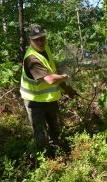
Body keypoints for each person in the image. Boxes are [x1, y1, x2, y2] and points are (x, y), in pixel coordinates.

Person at [20, 24, 78, 155]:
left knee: (55, 128)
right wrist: (66, 77)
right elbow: (50, 79)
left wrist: (66, 88)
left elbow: (52, 70)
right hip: (34, 101)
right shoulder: (31, 58)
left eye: (42, 38)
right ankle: (46, 159)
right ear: (30, 40)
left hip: (50, 99)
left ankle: (57, 152)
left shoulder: (46, 49)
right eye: (36, 39)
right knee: (41, 134)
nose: (40, 41)